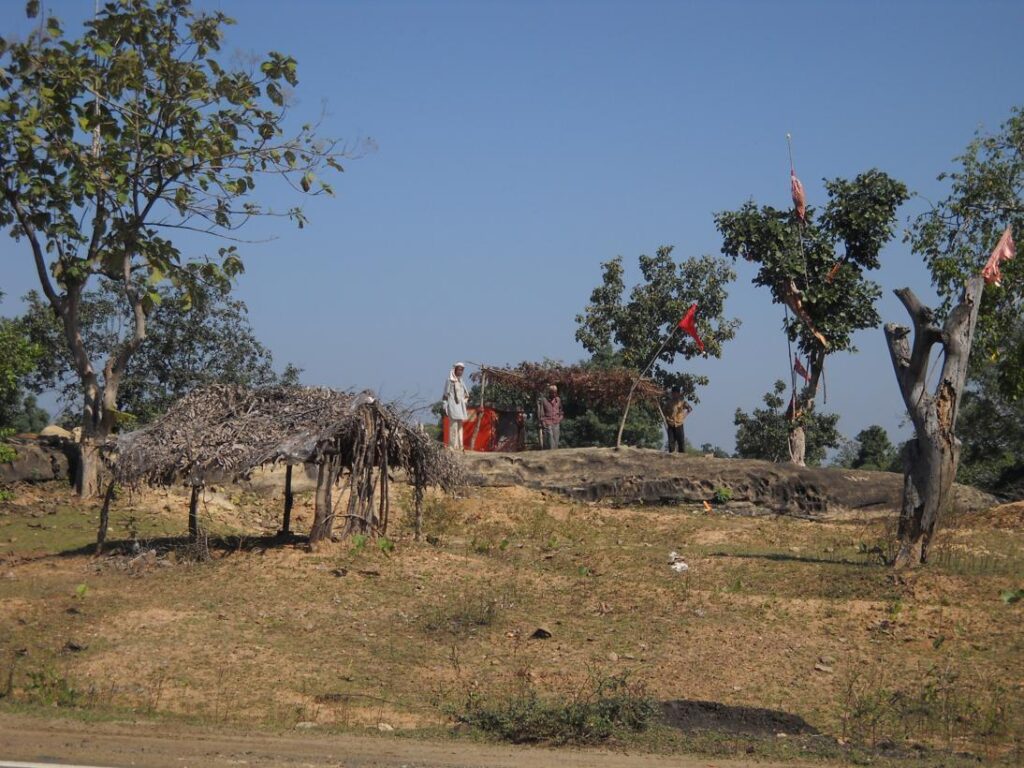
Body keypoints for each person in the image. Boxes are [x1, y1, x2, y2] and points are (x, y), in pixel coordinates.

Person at [442, 362, 469, 451]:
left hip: (461, 407)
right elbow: (445, 395)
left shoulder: (462, 381)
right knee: (453, 427)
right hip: (452, 406)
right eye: (459, 369)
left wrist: (464, 402)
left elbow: (466, 394)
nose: (461, 371)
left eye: (462, 370)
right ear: (455, 370)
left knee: (460, 427)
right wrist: (445, 406)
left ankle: (461, 446)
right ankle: (452, 446)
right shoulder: (449, 381)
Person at [664, 385, 692, 453]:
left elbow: (690, 409)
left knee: (681, 443)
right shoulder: (669, 402)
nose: (675, 394)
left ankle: (682, 458)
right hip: (671, 424)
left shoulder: (682, 402)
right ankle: (671, 457)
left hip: (679, 424)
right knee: (671, 443)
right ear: (672, 393)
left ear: (678, 393)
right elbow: (664, 412)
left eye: (676, 393)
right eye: (673, 393)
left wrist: (684, 416)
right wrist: (667, 418)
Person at [538, 384, 563, 449]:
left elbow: (561, 410)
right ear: (549, 392)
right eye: (552, 392)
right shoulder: (544, 400)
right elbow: (541, 413)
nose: (554, 394)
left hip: (556, 423)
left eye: (555, 392)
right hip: (548, 423)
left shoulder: (558, 400)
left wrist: (560, 418)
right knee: (550, 443)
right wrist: (543, 422)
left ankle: (554, 457)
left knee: (556, 443)